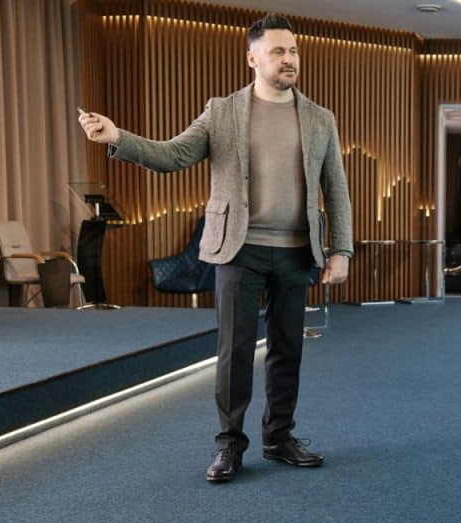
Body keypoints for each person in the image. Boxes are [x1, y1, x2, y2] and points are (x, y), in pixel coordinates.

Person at [78, 13, 353, 483]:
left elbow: (337, 189)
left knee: (289, 350)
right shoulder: (222, 111)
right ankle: (229, 445)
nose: (289, 60)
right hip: (237, 250)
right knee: (235, 351)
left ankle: (279, 437)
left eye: (293, 51)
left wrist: (341, 250)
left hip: (294, 253)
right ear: (252, 58)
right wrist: (119, 138)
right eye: (277, 52)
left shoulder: (319, 119)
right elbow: (173, 154)